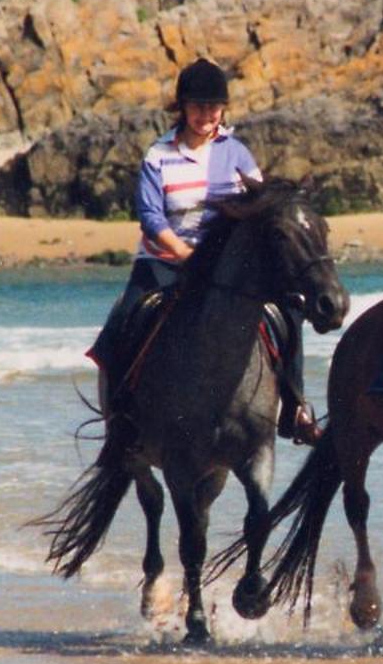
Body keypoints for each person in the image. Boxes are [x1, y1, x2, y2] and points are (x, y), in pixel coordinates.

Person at [89, 58, 319, 444]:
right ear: (182, 107)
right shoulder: (157, 156)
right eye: (197, 107)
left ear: (223, 109)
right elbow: (149, 215)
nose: (206, 115)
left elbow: (258, 211)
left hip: (227, 267)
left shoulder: (237, 154)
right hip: (164, 262)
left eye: (213, 107)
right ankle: (121, 418)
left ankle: (295, 407)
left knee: (291, 309)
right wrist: (184, 254)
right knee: (123, 321)